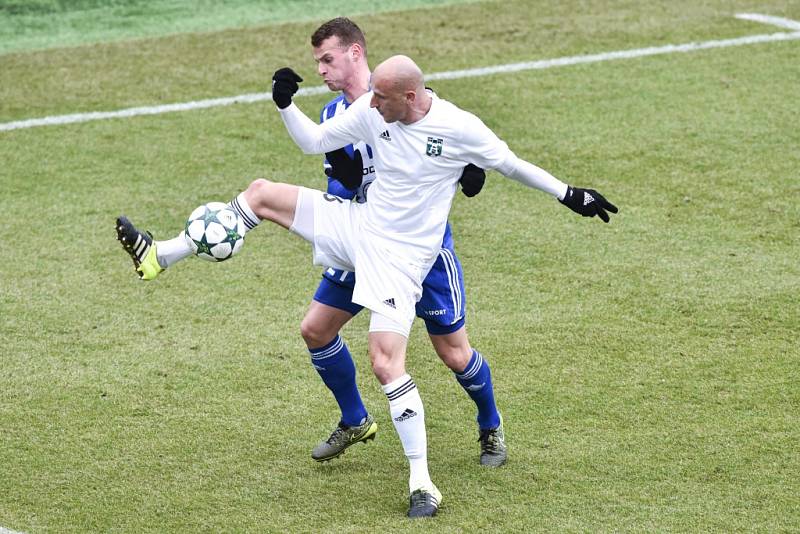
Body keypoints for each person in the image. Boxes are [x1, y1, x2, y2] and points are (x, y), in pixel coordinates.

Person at [115, 54, 617, 518]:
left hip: (403, 259)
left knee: (390, 361)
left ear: (412, 97)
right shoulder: (373, 111)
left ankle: (424, 481)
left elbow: (510, 164)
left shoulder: (460, 127)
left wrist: (569, 194)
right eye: (370, 96)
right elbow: (315, 141)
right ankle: (160, 256)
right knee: (262, 195)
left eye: (381, 98)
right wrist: (286, 106)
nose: (371, 105)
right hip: (357, 227)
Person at [297, 18, 508, 471]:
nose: (321, 71)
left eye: (327, 59)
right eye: (317, 62)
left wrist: (470, 171)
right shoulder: (334, 117)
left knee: (454, 353)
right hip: (364, 240)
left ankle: (490, 423)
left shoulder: (406, 92)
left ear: (355, 53)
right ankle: (355, 419)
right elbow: (345, 180)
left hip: (421, 253)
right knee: (316, 329)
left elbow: (458, 147)